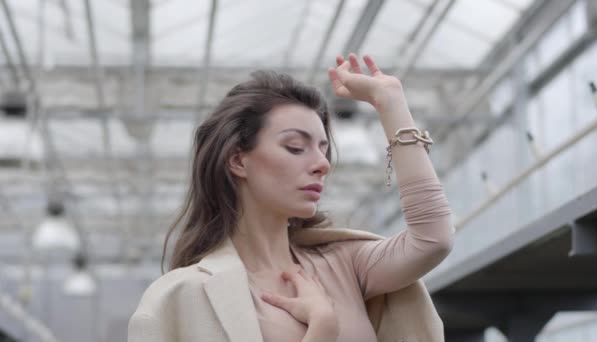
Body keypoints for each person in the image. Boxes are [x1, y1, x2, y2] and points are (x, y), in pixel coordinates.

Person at [128, 54, 455, 342]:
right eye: (295, 147)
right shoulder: (181, 298)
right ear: (238, 160)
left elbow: (432, 240)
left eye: (324, 149)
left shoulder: (344, 265)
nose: (322, 164)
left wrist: (391, 103)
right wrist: (321, 331)